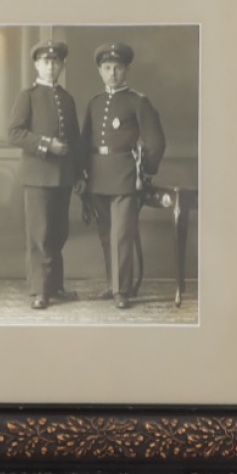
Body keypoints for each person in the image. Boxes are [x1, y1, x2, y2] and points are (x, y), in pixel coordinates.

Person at [81, 42, 166, 309]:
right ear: (99, 71)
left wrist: (146, 172)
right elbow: (85, 142)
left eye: (118, 68)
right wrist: (83, 174)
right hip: (97, 175)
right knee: (106, 234)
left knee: (121, 235)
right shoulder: (94, 103)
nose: (112, 73)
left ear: (127, 70)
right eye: (107, 68)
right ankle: (112, 284)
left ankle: (122, 290)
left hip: (125, 176)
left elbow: (156, 142)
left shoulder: (138, 101)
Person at [7, 40, 83, 310]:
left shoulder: (67, 99)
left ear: (62, 65)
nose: (51, 66)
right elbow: (14, 133)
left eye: (56, 62)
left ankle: (56, 286)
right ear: (37, 65)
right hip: (37, 176)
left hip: (62, 177)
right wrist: (47, 144)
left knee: (58, 234)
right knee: (39, 236)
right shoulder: (27, 96)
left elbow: (75, 139)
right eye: (46, 62)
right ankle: (40, 291)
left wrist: (78, 174)